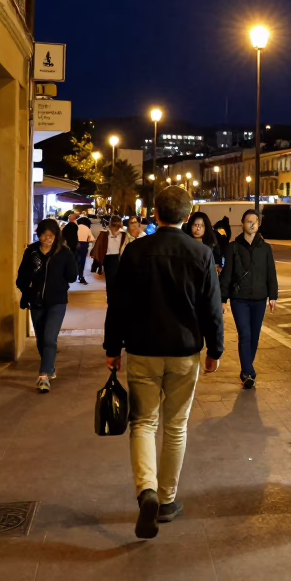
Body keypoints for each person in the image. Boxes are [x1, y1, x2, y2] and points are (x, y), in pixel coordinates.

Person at [104, 186, 224, 540]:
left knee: (143, 422)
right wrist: (215, 350)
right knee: (176, 425)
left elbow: (119, 303)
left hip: (142, 349)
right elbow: (212, 308)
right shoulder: (201, 253)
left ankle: (147, 491)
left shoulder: (135, 251)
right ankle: (167, 499)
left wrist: (113, 347)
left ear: (155, 214)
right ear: (187, 216)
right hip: (184, 351)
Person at [16, 219, 79, 393]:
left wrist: (63, 275)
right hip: (36, 302)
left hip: (57, 302)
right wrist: (27, 290)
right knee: (41, 338)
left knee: (50, 338)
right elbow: (22, 276)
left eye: (51, 236)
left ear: (56, 236)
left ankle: (43, 376)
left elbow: (72, 276)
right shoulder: (31, 252)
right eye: (44, 235)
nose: (47, 239)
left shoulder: (64, 252)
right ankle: (49, 366)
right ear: (39, 235)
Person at [219, 209, 278, 389]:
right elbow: (227, 274)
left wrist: (273, 296)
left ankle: (246, 372)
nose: (251, 224)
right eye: (248, 221)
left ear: (258, 225)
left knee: (254, 336)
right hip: (239, 298)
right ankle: (248, 371)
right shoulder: (233, 247)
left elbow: (271, 273)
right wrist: (223, 299)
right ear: (242, 224)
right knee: (245, 334)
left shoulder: (265, 248)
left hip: (259, 298)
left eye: (255, 221)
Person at [91, 214, 133, 298]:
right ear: (110, 224)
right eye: (114, 225)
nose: (115, 228)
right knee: (110, 282)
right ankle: (111, 299)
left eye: (117, 226)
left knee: (118, 281)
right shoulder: (104, 233)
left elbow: (127, 246)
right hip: (108, 259)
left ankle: (115, 298)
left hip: (119, 258)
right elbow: (98, 247)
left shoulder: (123, 234)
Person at [61, 213, 86, 285]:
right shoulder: (73, 225)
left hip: (71, 245)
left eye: (70, 216)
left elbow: (64, 234)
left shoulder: (71, 225)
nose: (69, 217)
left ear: (74, 218)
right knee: (78, 261)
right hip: (74, 245)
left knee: (72, 260)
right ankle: (78, 275)